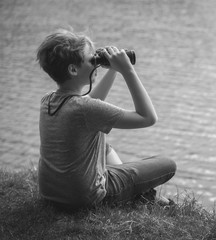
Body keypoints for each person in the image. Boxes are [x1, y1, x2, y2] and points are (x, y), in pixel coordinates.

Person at [36, 29, 176, 210]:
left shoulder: (47, 100)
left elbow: (90, 103)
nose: (97, 63)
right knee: (167, 164)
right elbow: (148, 117)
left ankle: (140, 194)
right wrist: (127, 70)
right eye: (92, 60)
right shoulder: (85, 109)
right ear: (73, 69)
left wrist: (112, 71)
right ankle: (139, 194)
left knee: (104, 146)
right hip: (87, 197)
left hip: (52, 194)